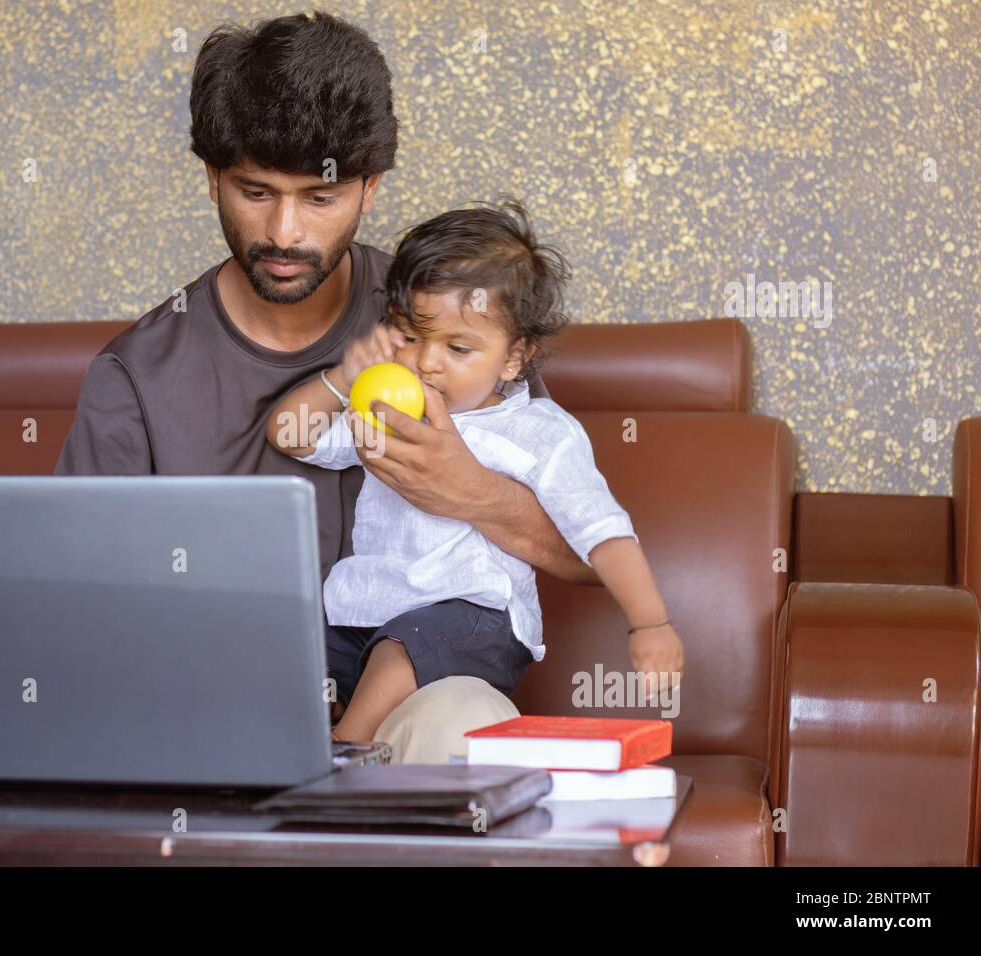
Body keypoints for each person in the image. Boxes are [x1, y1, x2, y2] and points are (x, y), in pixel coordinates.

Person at [56, 12, 605, 761]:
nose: (285, 232)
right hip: (219, 711)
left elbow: (587, 557)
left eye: (320, 198)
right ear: (212, 177)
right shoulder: (135, 376)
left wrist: (470, 491)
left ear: (370, 188)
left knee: (462, 723)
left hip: (411, 709)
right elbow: (80, 611)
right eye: (254, 191)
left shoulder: (451, 328)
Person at [266, 200, 685, 742]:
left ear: (514, 358)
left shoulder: (541, 433)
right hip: (366, 609)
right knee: (292, 651)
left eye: (458, 347)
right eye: (410, 338)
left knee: (402, 648)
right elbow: (290, 434)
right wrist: (345, 376)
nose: (427, 363)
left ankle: (347, 753)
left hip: (474, 617)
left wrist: (650, 621)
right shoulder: (389, 410)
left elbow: (602, 532)